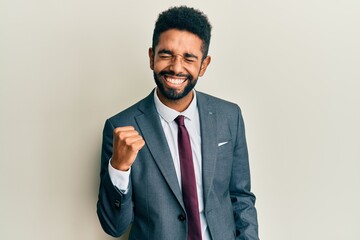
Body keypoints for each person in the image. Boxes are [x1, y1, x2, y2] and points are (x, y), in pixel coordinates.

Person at [97, 6, 259, 240]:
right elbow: (114, 227)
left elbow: (241, 198)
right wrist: (118, 168)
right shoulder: (120, 127)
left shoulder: (229, 116)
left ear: (203, 65)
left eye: (189, 58)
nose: (176, 66)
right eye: (166, 55)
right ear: (151, 57)